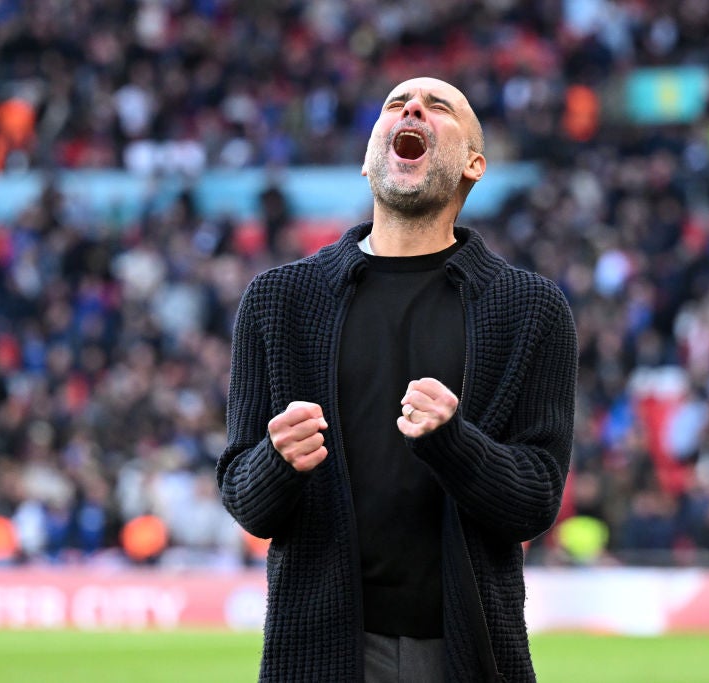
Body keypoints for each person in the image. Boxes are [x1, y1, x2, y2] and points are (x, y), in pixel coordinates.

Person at [216, 76, 578, 682]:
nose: (412, 107)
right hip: (319, 658)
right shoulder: (280, 301)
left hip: (468, 656)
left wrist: (453, 443)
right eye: (395, 105)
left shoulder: (529, 308)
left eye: (440, 107)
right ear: (366, 162)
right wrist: (277, 461)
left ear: (474, 165)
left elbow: (536, 502)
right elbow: (245, 500)